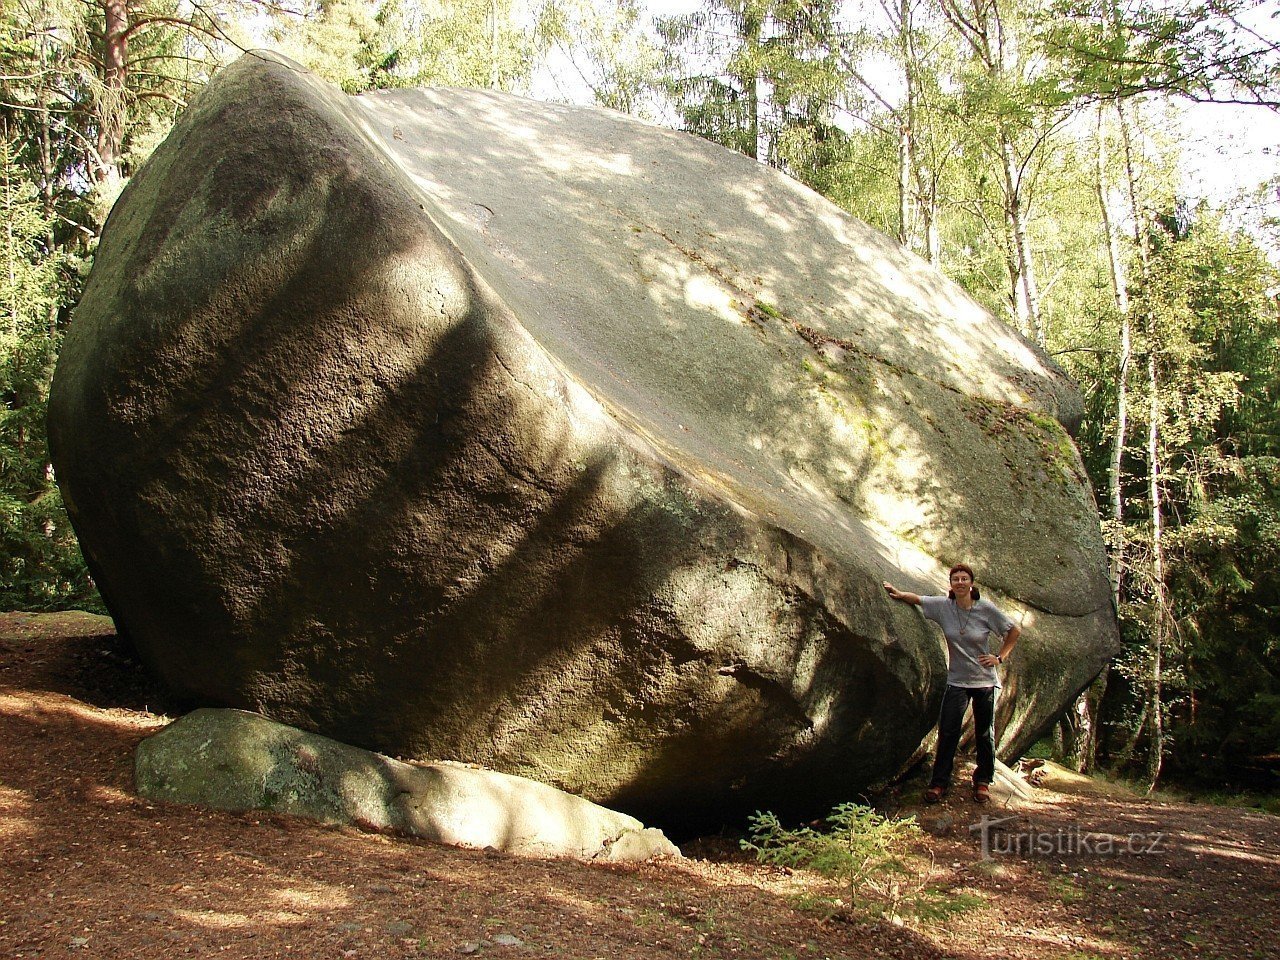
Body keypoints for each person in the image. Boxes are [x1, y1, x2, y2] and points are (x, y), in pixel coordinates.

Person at [883, 563, 1021, 804]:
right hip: (957, 680)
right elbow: (919, 600)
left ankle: (982, 781)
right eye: (955, 578)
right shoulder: (944, 607)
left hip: (984, 682)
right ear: (951, 583)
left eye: (964, 578)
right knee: (948, 731)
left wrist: (999, 657)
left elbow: (1014, 631)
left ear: (971, 583)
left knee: (984, 733)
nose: (959, 582)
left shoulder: (985, 609)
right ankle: (939, 783)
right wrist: (897, 592)